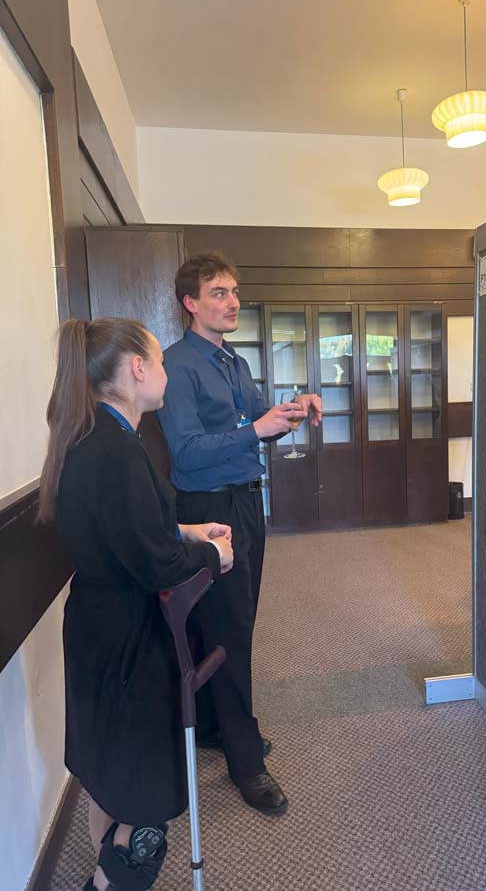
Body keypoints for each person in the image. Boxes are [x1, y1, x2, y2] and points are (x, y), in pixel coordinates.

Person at [38, 318, 234, 891]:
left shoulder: (92, 435)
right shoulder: (116, 448)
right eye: (161, 363)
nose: (167, 373)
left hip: (96, 626)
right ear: (137, 368)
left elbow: (126, 529)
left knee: (109, 777)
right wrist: (213, 556)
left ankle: (104, 872)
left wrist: (186, 530)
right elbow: (155, 566)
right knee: (144, 806)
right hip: (128, 640)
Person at [158, 251, 322, 816]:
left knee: (232, 620)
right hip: (208, 508)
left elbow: (260, 424)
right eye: (219, 293)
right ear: (190, 303)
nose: (233, 302)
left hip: (247, 502)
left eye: (233, 291)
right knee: (230, 629)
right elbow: (184, 451)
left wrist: (293, 410)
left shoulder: (235, 361)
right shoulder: (176, 365)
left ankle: (214, 727)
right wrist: (256, 428)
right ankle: (245, 759)